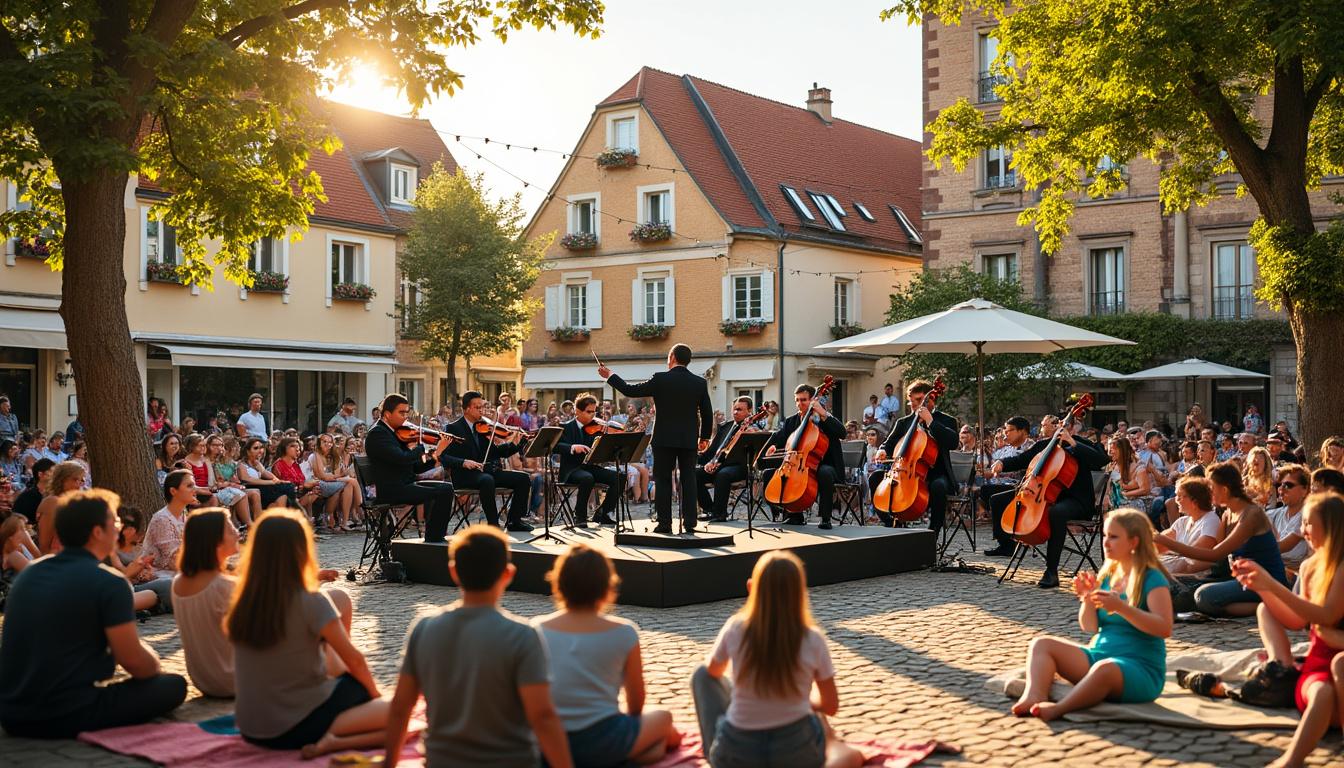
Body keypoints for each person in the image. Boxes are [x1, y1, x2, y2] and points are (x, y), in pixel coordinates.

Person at [0, 489, 188, 737]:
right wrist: (153, 662)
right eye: (115, 522)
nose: (119, 529)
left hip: (11, 712)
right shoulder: (109, 582)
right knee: (174, 685)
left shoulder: (30, 573)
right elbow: (137, 664)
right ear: (98, 532)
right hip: (63, 712)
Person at [384, 524, 572, 768]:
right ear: (508, 574)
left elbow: (401, 706)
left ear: (453, 571)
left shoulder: (424, 628)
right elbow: (542, 716)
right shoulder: (522, 635)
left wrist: (389, 763)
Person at [227, 509, 387, 756]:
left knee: (340, 674)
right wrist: (373, 696)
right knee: (396, 710)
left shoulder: (245, 599)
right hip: (292, 726)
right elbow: (355, 660)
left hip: (250, 727)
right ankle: (332, 742)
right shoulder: (310, 601)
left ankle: (334, 735)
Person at [691, 551, 863, 768]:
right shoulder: (812, 638)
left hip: (736, 754)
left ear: (751, 588)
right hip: (795, 754)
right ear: (800, 592)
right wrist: (800, 700)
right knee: (840, 744)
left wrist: (742, 690)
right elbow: (830, 705)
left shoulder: (736, 627)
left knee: (701, 674)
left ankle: (714, 750)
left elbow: (712, 672)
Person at [1013, 510, 1173, 720]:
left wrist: (1121, 608)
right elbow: (1089, 627)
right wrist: (1087, 598)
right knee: (1041, 644)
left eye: (1113, 537)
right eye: (1105, 535)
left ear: (1133, 542)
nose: (1106, 542)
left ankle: (1060, 708)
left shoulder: (1152, 578)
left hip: (1139, 669)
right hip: (1099, 656)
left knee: (1105, 669)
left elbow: (1164, 627)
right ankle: (1034, 695)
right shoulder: (1108, 576)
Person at [534, 544, 681, 765]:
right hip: (604, 737)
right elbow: (636, 703)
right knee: (664, 719)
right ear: (607, 588)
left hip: (549, 740)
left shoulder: (537, 629)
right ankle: (637, 752)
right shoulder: (624, 632)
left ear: (558, 584)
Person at [1231, 492, 1344, 768]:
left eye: (1309, 523)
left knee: (1341, 664)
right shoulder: (1309, 566)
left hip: (1338, 661)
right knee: (1322, 692)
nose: (1303, 530)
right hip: (1318, 666)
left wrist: (1272, 584)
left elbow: (1327, 615)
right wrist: (1261, 588)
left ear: (1330, 526)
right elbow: (1297, 620)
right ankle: (1292, 760)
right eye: (1302, 523)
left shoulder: (1341, 567)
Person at [599, 344, 713, 534]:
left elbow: (629, 390)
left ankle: (664, 523)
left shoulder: (660, 379)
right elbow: (707, 412)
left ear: (672, 357)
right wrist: (705, 437)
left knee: (663, 480)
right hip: (688, 439)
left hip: (664, 438)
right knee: (689, 479)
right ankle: (690, 522)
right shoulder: (699, 382)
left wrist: (610, 375)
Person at [1155, 461, 1287, 617]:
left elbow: (1215, 554)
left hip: (1266, 580)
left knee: (1204, 597)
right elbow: (1216, 560)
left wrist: (1167, 542)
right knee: (1169, 584)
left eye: (1211, 488)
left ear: (1224, 489)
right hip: (1240, 579)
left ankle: (1275, 604)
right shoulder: (1227, 514)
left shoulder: (1251, 514)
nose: (1208, 493)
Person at [993, 417, 1109, 588]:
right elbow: (1023, 459)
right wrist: (1002, 463)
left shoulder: (1080, 443)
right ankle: (1006, 544)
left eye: (1045, 425)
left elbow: (1101, 460)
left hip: (1077, 501)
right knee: (999, 499)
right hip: (1046, 497)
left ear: (1066, 427)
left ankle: (1051, 571)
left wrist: (1072, 442)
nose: (1042, 429)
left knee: (1056, 513)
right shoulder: (1044, 445)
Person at [365, 393, 456, 543]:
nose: (405, 417)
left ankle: (435, 536)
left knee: (447, 488)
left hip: (405, 483)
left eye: (407, 412)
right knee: (442, 492)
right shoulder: (378, 433)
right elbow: (401, 458)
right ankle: (434, 538)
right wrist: (420, 448)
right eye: (401, 413)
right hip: (391, 489)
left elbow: (416, 468)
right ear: (387, 414)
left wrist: (437, 453)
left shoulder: (396, 432)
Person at [870, 380, 959, 531]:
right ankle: (889, 521)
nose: (915, 405)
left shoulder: (946, 420)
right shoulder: (903, 422)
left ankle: (933, 531)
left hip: (937, 474)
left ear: (931, 399)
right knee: (875, 477)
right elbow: (888, 444)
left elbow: (953, 442)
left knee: (938, 486)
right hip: (905, 474)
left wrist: (930, 421)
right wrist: (882, 450)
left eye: (919, 400)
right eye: (912, 401)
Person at [441, 391, 534, 532]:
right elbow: (444, 457)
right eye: (477, 407)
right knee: (487, 480)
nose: (481, 410)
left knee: (523, 478)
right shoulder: (453, 428)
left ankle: (514, 521)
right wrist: (464, 462)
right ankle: (493, 524)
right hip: (465, 475)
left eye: (482, 407)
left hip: (487, 472)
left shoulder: (483, 427)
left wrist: (519, 444)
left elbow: (496, 452)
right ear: (466, 409)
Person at [173, 508, 240, 697]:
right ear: (215, 541)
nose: (237, 533)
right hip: (236, 678)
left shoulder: (178, 582)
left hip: (203, 680)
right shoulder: (224, 586)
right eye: (231, 530)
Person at [763, 384, 847, 530]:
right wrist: (773, 446)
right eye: (797, 400)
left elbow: (842, 433)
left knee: (824, 472)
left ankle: (825, 518)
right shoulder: (791, 421)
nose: (799, 403)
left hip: (827, 464)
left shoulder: (823, 418)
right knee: (768, 474)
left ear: (812, 400)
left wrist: (823, 413)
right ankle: (792, 514)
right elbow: (778, 437)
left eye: (803, 400)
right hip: (801, 466)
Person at [554, 394, 625, 527]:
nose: (593, 415)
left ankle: (603, 513)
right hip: (571, 470)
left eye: (594, 412)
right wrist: (572, 447)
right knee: (587, 478)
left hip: (589, 467)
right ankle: (580, 516)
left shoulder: (597, 427)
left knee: (620, 477)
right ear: (577, 411)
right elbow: (554, 446)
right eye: (589, 412)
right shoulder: (565, 427)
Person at [696, 397, 759, 524]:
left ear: (749, 411)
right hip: (719, 465)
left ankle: (720, 514)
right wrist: (700, 460)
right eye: (734, 409)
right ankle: (710, 509)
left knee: (722, 474)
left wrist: (754, 433)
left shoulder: (752, 428)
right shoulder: (726, 427)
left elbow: (746, 455)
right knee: (693, 473)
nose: (735, 412)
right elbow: (712, 450)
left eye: (739, 409)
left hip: (740, 467)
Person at [983, 416, 1035, 556]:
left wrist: (1001, 469)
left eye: (1010, 430)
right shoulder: (1007, 449)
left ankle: (1007, 542)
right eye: (1005, 431)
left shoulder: (1031, 447)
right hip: (1014, 486)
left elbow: (1019, 464)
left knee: (996, 499)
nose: (1006, 434)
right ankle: (1007, 534)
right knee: (986, 491)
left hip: (1027, 488)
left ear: (1022, 431)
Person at [1157, 477, 1223, 579]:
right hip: (1178, 569)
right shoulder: (1182, 522)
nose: (1176, 500)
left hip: (1196, 577)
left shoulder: (1211, 521)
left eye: (1180, 496)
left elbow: (1194, 556)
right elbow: (1158, 545)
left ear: (1194, 501)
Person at [1265, 464, 1312, 573]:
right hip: (1272, 570)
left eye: (1288, 485)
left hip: (1294, 576)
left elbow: (1280, 548)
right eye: (1280, 485)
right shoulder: (1275, 513)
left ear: (1305, 490)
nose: (1281, 489)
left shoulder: (1308, 516)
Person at [35, 460, 88, 553]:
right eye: (75, 479)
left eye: (81, 480)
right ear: (62, 479)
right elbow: (44, 544)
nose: (79, 485)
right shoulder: (53, 502)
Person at [238, 436, 298, 508]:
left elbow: (265, 473)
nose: (260, 451)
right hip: (252, 487)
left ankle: (291, 508)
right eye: (256, 448)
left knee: (288, 486)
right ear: (248, 451)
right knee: (286, 490)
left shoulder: (257, 463)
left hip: (263, 486)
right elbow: (247, 479)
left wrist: (279, 481)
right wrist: (270, 482)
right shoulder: (242, 464)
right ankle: (295, 508)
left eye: (261, 447)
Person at [12, 457, 54, 523]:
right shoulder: (26, 498)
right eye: (52, 472)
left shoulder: (56, 494)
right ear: (40, 474)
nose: (55, 475)